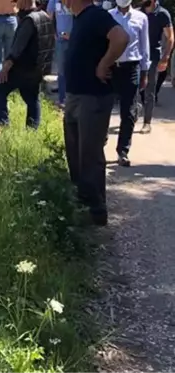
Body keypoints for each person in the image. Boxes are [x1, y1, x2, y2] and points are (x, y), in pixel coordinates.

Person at [63, 0, 129, 226]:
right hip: (76, 96)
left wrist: (104, 64)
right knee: (75, 153)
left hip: (92, 98)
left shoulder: (95, 15)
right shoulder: (80, 19)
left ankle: (95, 211)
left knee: (89, 154)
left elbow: (121, 37)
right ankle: (80, 204)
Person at [0, 0, 55, 129]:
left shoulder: (29, 21)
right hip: (38, 69)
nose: (15, 4)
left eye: (16, 1)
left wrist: (5, 69)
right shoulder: (45, 16)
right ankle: (32, 132)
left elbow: (17, 49)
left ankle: (2, 125)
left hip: (23, 69)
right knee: (32, 100)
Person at [109, 0, 149, 167]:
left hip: (131, 67)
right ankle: (100, 141)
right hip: (112, 66)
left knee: (129, 111)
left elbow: (144, 46)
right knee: (104, 106)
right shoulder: (108, 16)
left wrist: (145, 72)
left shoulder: (141, 18)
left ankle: (123, 151)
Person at [139, 0, 173, 133]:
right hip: (137, 54)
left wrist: (165, 58)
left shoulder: (162, 14)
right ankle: (133, 114)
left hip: (153, 55)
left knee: (150, 90)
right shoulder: (137, 12)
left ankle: (147, 122)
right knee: (134, 88)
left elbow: (170, 37)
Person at [47, 0, 74, 108]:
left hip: (75, 39)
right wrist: (54, 33)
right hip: (61, 39)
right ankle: (62, 99)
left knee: (74, 69)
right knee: (62, 70)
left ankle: (73, 99)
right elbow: (49, 17)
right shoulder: (53, 1)